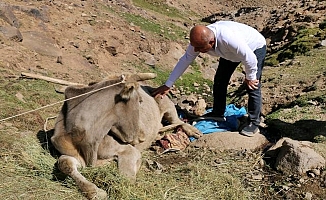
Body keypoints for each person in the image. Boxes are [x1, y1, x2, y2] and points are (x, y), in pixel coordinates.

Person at [151, 21, 267, 137]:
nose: (196, 50)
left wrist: (250, 77)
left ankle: (254, 122)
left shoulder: (229, 39)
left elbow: (250, 58)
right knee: (220, 80)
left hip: (254, 48)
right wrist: (168, 84)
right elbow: (185, 60)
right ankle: (218, 112)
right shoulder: (199, 41)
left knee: (252, 86)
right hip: (230, 53)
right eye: (194, 47)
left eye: (200, 48)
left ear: (211, 42)